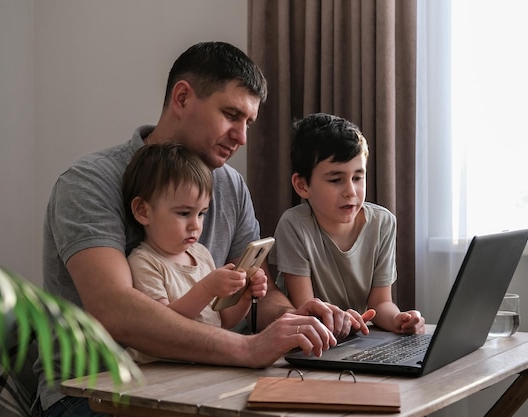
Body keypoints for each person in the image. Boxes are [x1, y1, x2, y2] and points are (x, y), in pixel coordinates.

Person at [37, 42, 371, 416]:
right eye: (231, 114)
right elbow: (115, 310)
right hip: (91, 393)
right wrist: (248, 349)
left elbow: (260, 293)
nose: (242, 137)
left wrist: (294, 318)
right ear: (182, 98)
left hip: (207, 380)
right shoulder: (89, 183)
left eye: (248, 123)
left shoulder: (230, 186)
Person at [273, 113, 425, 339]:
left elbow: (381, 303)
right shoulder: (293, 225)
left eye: (357, 177)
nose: (351, 192)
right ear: (302, 185)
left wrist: (398, 320)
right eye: (336, 180)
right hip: (314, 337)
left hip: (355, 337)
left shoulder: (383, 222)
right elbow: (306, 309)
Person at [122, 143, 268, 364]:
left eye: (201, 214)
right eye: (183, 213)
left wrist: (245, 295)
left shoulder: (200, 254)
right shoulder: (144, 262)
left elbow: (223, 321)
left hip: (201, 366)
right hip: (158, 375)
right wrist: (208, 288)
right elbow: (164, 327)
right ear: (143, 211)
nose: (195, 226)